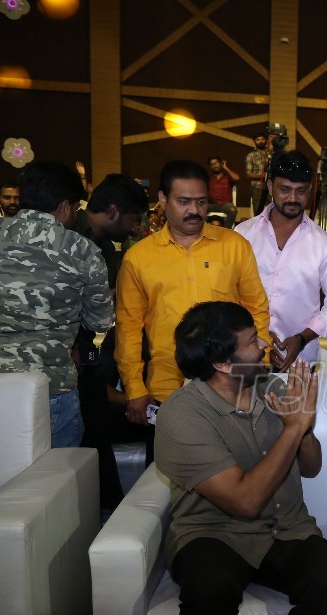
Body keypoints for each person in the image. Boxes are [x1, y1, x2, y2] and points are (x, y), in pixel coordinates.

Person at [156, 301, 327, 615]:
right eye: (251, 341)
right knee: (208, 586)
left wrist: (303, 429)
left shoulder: (272, 387)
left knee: (326, 571)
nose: (264, 345)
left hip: (285, 528)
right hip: (214, 532)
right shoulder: (182, 415)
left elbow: (311, 468)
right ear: (223, 363)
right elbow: (244, 502)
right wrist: (293, 429)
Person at [116, 160, 269, 465]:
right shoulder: (138, 258)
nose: (194, 211)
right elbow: (128, 327)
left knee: (236, 474)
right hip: (167, 389)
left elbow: (257, 309)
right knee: (168, 478)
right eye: (184, 202)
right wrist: (134, 387)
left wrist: (254, 368)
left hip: (230, 388)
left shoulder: (234, 246)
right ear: (163, 199)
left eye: (201, 202)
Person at [0, 161, 114, 447]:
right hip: (48, 387)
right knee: (52, 473)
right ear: (65, 206)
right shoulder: (83, 250)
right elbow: (99, 322)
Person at [72, 174, 149, 511]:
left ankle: (110, 511)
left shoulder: (104, 248)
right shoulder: (69, 238)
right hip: (68, 357)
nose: (136, 229)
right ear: (114, 211)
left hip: (90, 349)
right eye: (134, 219)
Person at [236, 151, 327, 368]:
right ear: (270, 187)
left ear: (310, 189)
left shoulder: (323, 243)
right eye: (285, 189)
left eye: (301, 191)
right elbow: (229, 292)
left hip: (300, 360)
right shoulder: (243, 234)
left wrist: (302, 338)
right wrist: (257, 332)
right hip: (245, 359)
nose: (293, 199)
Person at [207, 156, 240, 227]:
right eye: (212, 164)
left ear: (221, 164)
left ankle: (225, 231)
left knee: (233, 210)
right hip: (212, 204)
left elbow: (237, 178)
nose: (215, 166)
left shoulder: (227, 177)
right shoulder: (208, 179)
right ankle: (204, 230)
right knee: (200, 209)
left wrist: (226, 167)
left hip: (225, 204)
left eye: (216, 163)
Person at [245, 133, 271, 213]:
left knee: (272, 210)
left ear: (266, 141)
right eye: (258, 140)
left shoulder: (271, 154)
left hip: (270, 186)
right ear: (254, 141)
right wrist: (262, 176)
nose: (260, 141)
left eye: (262, 139)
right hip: (257, 186)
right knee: (258, 210)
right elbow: (248, 174)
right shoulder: (251, 155)